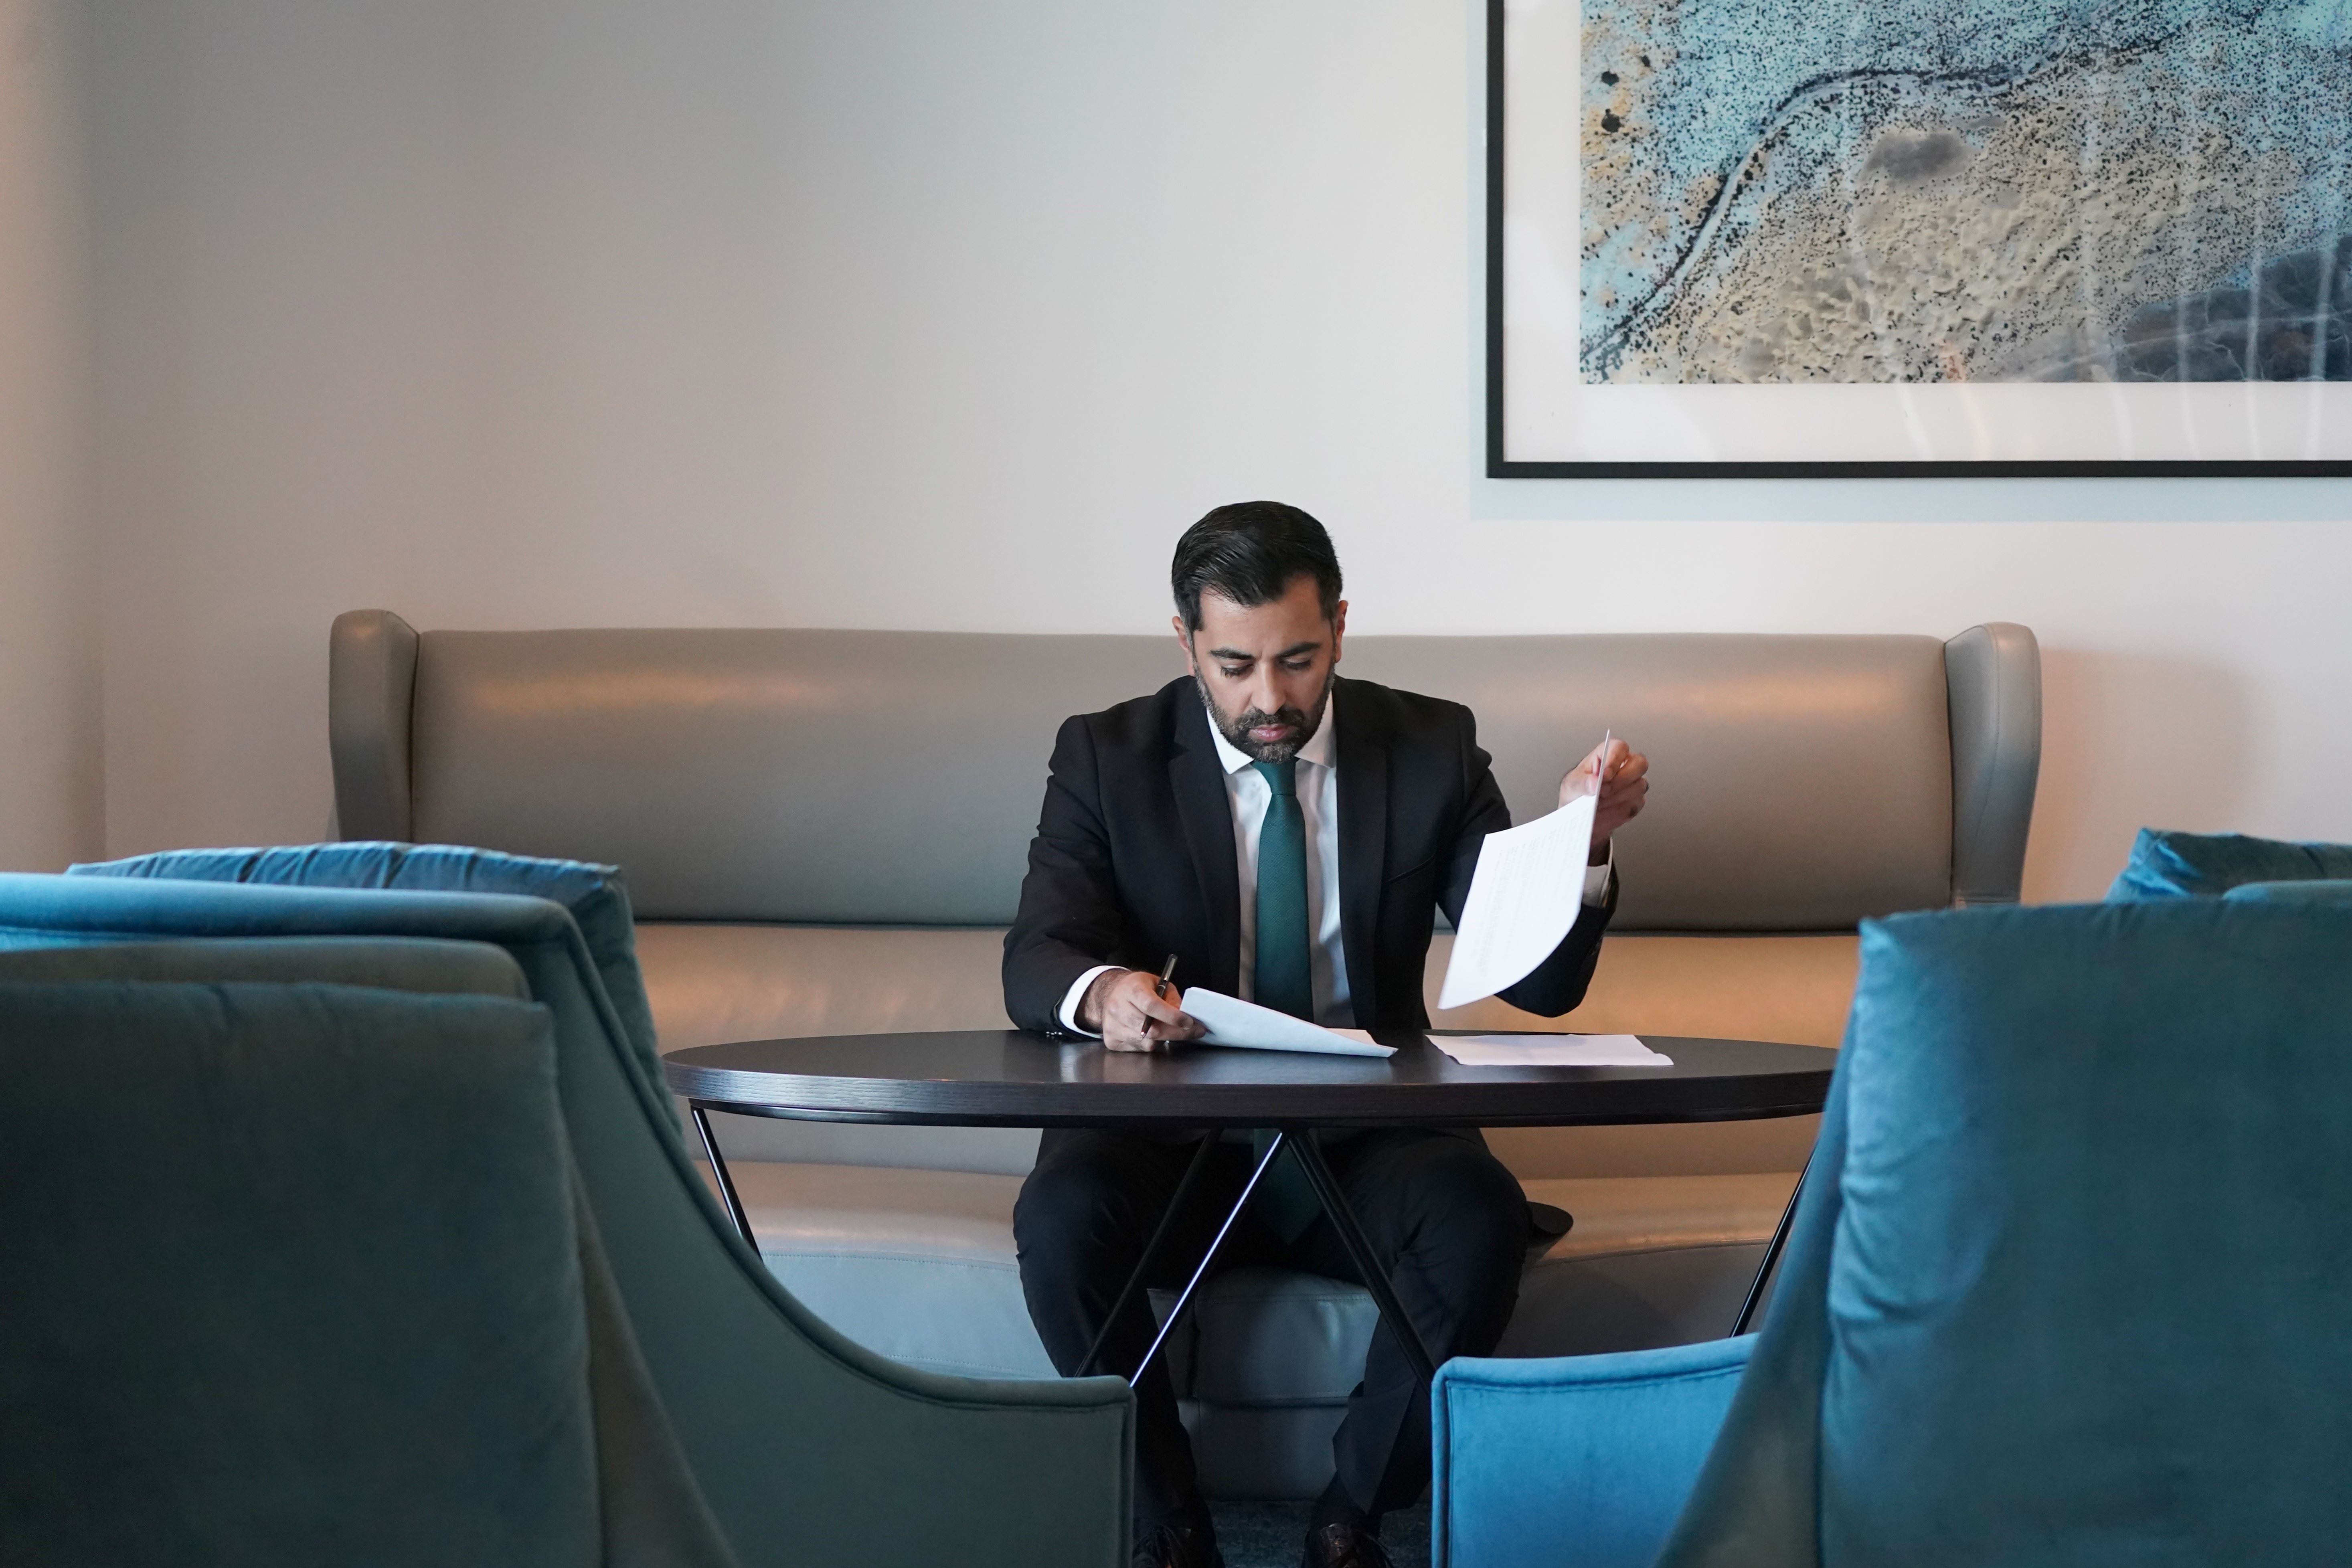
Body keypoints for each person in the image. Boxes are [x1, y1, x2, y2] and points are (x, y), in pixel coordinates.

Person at [1002, 502, 1650, 1568]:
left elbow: (1534, 990)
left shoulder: (1430, 746)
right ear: (1184, 643)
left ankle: (1351, 1520)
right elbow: (1037, 953)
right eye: (1235, 666)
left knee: (1473, 1220)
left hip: (1366, 1130)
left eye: (1298, 661)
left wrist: (1579, 846)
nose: (1269, 699)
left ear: (1340, 627)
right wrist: (1106, 988)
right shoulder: (1105, 755)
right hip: (1169, 1135)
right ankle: (1164, 1522)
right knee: (1063, 1221)